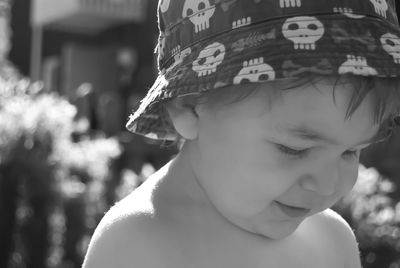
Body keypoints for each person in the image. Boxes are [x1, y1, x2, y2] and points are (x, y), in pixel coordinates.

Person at [82, 0, 400, 267]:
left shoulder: (333, 241)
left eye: (351, 151)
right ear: (190, 106)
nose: (329, 184)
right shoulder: (137, 244)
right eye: (294, 149)